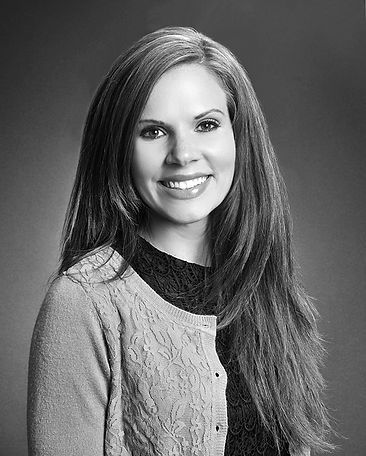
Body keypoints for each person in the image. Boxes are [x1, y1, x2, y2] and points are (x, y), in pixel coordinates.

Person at [27, 27, 334, 456]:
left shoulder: (268, 289)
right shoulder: (83, 303)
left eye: (206, 124)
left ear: (237, 135)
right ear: (118, 149)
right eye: (153, 131)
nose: (183, 154)